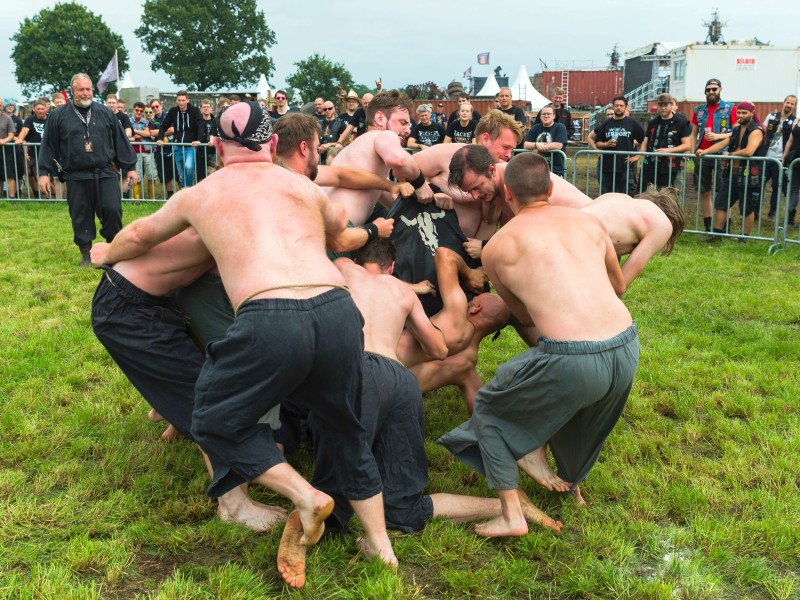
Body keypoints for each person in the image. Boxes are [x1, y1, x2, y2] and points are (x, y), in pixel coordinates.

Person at [93, 101, 396, 588]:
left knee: (211, 415)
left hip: (270, 313)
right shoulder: (300, 189)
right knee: (346, 426)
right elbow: (343, 236)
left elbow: (138, 232)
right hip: (337, 312)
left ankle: (298, 496)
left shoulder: (202, 193)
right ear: (273, 144)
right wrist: (373, 231)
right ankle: (381, 548)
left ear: (215, 146)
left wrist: (103, 249)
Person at [438, 152, 639, 536]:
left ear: (507, 195)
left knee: (490, 411)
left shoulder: (497, 247)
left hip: (574, 358)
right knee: (578, 409)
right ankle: (569, 479)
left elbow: (525, 316)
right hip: (627, 346)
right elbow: (617, 286)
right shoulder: (589, 223)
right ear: (550, 188)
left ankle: (512, 515)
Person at [328, 240, 560, 534]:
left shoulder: (454, 314)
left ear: (474, 306)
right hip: (402, 395)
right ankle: (506, 505)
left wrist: (471, 272)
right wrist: (519, 453)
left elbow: (446, 255)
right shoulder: (468, 368)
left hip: (368, 379)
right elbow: (484, 418)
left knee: (341, 482)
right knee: (398, 499)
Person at [89, 231, 288, 531]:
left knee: (201, 387)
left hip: (151, 302)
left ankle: (168, 408)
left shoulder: (235, 211)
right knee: (207, 406)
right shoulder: (218, 206)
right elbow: (139, 235)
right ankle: (233, 506)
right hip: (128, 309)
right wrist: (110, 253)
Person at [37, 73, 137, 267]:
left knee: (112, 210)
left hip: (105, 172)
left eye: (88, 89)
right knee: (80, 215)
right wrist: (43, 173)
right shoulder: (58, 116)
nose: (85, 93)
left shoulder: (105, 113)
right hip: (76, 175)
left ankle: (111, 250)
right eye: (81, 89)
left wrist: (130, 167)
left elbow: (120, 141)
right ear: (72, 91)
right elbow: (47, 145)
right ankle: (86, 254)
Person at [327, 89, 434, 226]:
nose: (408, 130)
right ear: (380, 119)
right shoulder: (382, 135)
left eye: (409, 124)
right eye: (402, 122)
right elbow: (398, 160)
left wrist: (434, 200)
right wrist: (421, 184)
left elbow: (395, 203)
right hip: (336, 232)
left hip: (330, 231)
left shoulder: (359, 152)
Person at [581, 187, 685, 287]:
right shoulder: (661, 223)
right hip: (582, 238)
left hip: (568, 223)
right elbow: (620, 285)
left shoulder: (616, 197)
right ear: (672, 220)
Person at [700, 101, 765, 241]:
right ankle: (717, 235)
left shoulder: (756, 130)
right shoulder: (737, 129)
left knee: (747, 207)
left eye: (744, 113)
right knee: (721, 203)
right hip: (732, 173)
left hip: (749, 174)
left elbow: (749, 151)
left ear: (752, 114)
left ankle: (743, 237)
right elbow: (723, 143)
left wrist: (730, 155)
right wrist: (705, 151)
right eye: (739, 113)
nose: (740, 115)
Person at [691, 78, 737, 232]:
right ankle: (708, 225)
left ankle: (725, 226)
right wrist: (692, 152)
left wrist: (718, 136)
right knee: (704, 191)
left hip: (721, 155)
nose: (711, 92)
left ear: (720, 90)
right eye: (708, 89)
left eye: (714, 89)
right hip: (701, 155)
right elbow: (693, 133)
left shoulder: (730, 108)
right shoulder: (699, 110)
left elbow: (736, 133)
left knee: (722, 192)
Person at [588, 96, 645, 195]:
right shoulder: (606, 123)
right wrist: (606, 144)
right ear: (613, 107)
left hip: (626, 166)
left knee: (626, 197)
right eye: (616, 105)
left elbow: (644, 140)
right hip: (608, 167)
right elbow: (598, 143)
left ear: (625, 107)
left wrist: (638, 156)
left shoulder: (632, 123)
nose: (618, 107)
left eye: (621, 105)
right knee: (607, 196)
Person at [640, 93, 693, 189]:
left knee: (668, 195)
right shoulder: (653, 122)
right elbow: (646, 140)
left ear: (671, 105)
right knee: (646, 193)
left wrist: (668, 151)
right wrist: (642, 158)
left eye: (666, 105)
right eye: (660, 105)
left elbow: (687, 145)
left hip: (670, 166)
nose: (663, 108)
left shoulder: (681, 122)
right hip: (650, 164)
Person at [157, 91, 203, 188]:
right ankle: (184, 194)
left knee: (188, 167)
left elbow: (200, 125)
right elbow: (164, 125)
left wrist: (199, 139)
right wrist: (160, 138)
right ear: (176, 101)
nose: (181, 103)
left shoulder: (195, 111)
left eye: (183, 100)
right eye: (179, 100)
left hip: (190, 146)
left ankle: (189, 189)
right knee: (181, 174)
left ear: (187, 100)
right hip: (177, 146)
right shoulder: (173, 111)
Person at [762, 95, 796, 220]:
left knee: (777, 186)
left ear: (794, 106)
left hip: (780, 159)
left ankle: (772, 212)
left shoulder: (795, 121)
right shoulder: (771, 116)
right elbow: (762, 132)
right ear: (784, 102)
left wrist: (785, 157)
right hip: (766, 157)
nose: (789, 105)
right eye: (788, 102)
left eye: (792, 104)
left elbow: (792, 140)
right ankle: (753, 211)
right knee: (759, 184)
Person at [16, 98, 50, 198]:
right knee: (31, 175)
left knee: (44, 176)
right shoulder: (30, 119)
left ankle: (52, 196)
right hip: (33, 152)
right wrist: (20, 139)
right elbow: (24, 131)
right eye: (38, 109)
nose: (40, 111)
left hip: (47, 152)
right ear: (34, 109)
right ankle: (37, 195)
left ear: (46, 109)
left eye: (42, 109)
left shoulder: (50, 119)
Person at [524, 106, 568, 177]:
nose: (546, 116)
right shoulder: (535, 128)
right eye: (544, 114)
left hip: (556, 169)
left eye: (548, 114)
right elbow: (526, 144)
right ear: (540, 116)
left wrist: (539, 147)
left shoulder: (560, 127)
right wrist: (536, 145)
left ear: (553, 116)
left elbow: (558, 145)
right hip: (537, 168)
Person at [147, 98, 175, 199]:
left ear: (161, 105)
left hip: (172, 148)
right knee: (165, 175)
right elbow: (152, 135)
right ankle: (170, 196)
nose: (155, 108)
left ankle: (182, 196)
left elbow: (173, 129)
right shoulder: (152, 120)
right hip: (160, 151)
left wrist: (160, 132)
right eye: (153, 107)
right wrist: (164, 131)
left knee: (178, 174)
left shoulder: (169, 116)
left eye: (157, 106)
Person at [129, 101, 156, 200]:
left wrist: (134, 131)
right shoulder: (127, 121)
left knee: (151, 174)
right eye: (137, 110)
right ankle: (136, 199)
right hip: (134, 152)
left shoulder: (147, 122)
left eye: (141, 111)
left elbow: (148, 134)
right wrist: (142, 133)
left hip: (147, 150)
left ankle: (151, 198)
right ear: (133, 110)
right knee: (137, 175)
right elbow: (127, 136)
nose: (139, 112)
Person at [196, 99, 218, 182]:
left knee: (212, 177)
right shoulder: (197, 121)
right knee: (200, 178)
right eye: (204, 107)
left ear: (211, 108)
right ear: (201, 109)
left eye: (208, 107)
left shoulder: (215, 121)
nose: (206, 108)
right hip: (200, 152)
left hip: (212, 152)